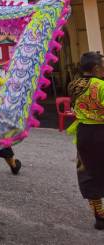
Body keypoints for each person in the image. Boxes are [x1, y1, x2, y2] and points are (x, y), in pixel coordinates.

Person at [67, 52, 104, 230]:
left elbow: (72, 107)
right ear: (96, 68)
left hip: (84, 134)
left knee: (88, 173)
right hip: (101, 131)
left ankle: (99, 215)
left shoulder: (73, 85)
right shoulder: (101, 86)